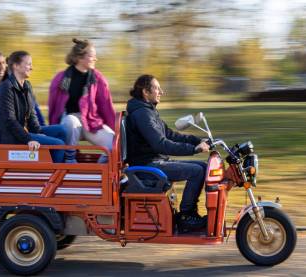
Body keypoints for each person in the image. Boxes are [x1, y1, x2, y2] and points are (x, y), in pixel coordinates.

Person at [126, 74, 210, 232]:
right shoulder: (142, 114)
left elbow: (170, 134)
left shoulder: (148, 111)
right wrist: (194, 149)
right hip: (148, 166)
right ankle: (186, 216)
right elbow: (161, 144)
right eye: (157, 88)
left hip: (156, 162)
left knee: (203, 167)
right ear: (145, 92)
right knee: (197, 171)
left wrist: (197, 140)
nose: (161, 92)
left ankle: (190, 213)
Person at [48, 38, 115, 163]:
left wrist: (114, 129)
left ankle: (100, 168)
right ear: (80, 57)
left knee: (115, 145)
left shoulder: (98, 78)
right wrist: (53, 129)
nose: (96, 59)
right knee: (71, 121)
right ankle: (70, 159)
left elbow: (106, 106)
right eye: (92, 56)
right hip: (69, 122)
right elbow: (53, 108)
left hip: (91, 122)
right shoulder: (60, 78)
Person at [0, 51, 66, 162]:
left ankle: (60, 162)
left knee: (61, 131)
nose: (32, 68)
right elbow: (9, 120)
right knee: (59, 144)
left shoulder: (27, 86)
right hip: (11, 136)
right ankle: (55, 175)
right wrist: (28, 139)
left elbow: (32, 115)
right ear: (16, 66)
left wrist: (39, 133)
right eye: (28, 64)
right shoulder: (6, 88)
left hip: (23, 132)